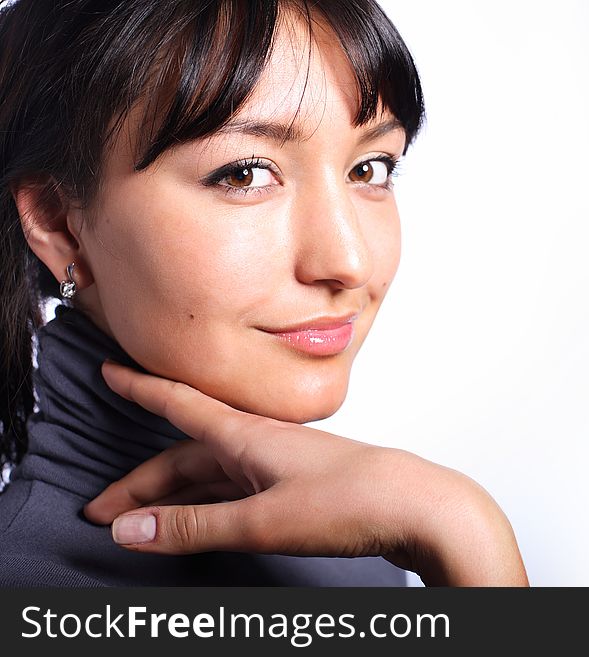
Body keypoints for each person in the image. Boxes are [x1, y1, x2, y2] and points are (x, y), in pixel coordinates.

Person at [0, 0, 529, 586]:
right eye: (245, 173)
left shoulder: (378, 537)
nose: (348, 262)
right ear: (58, 222)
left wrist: (455, 526)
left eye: (370, 169)